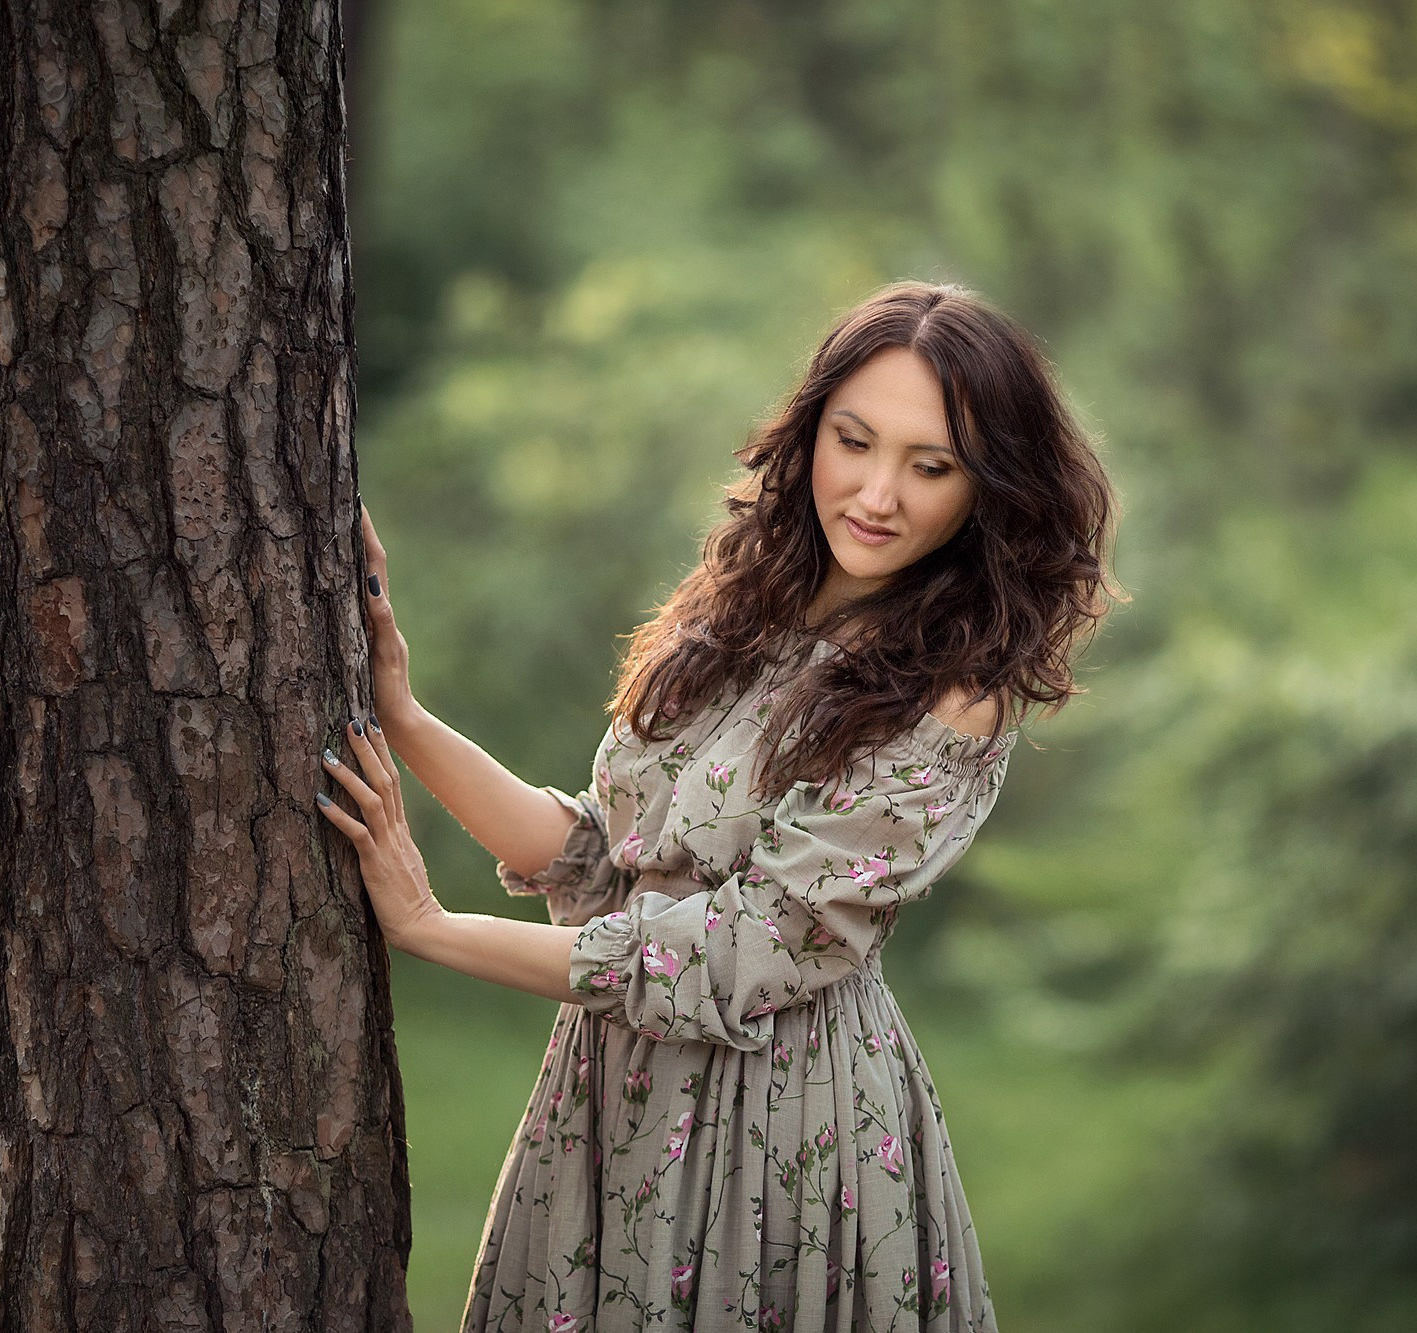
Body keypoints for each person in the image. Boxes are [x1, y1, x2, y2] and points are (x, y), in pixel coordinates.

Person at [316, 280, 1117, 1332]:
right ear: (811, 432)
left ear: (986, 489)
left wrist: (429, 927)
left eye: (931, 467)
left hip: (782, 1128)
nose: (877, 493)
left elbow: (733, 953)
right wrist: (404, 716)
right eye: (853, 442)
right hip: (611, 1090)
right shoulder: (748, 603)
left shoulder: (954, 692)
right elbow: (606, 861)